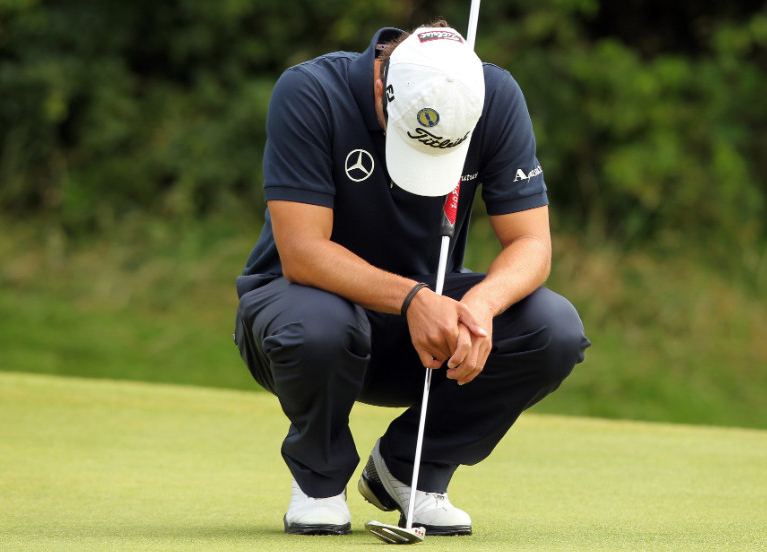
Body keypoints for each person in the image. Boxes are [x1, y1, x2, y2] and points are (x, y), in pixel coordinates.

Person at [233, 20, 590, 537]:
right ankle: (319, 482)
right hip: (300, 319)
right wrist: (413, 298)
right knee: (321, 323)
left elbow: (532, 245)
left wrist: (482, 306)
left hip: (423, 337)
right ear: (382, 85)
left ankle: (409, 469)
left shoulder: (494, 94)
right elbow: (302, 252)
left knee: (553, 327)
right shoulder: (311, 91)